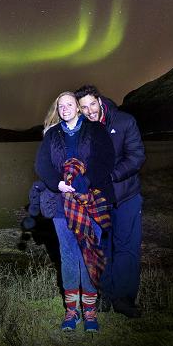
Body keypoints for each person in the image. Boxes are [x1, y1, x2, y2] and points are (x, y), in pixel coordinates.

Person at [35, 91, 116, 332]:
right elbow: (41, 165)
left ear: (77, 108)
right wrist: (56, 183)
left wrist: (87, 180)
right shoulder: (52, 134)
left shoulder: (95, 130)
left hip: (91, 200)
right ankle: (72, 311)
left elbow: (107, 160)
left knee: (89, 253)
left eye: (69, 104)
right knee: (69, 255)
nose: (65, 109)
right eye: (61, 106)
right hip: (61, 204)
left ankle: (90, 312)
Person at [75, 84, 146, 318]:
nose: (89, 111)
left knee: (126, 247)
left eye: (92, 104)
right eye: (83, 108)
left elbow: (136, 157)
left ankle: (124, 300)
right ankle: (104, 297)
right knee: (102, 249)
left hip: (126, 196)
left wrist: (111, 176)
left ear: (100, 100)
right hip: (98, 200)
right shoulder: (81, 129)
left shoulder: (124, 122)